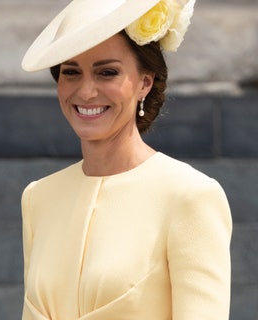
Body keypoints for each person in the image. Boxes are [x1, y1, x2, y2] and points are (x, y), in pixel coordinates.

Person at [19, 0, 232, 319]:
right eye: (71, 73)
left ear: (145, 82)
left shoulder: (190, 196)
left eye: (107, 72)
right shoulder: (38, 198)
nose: (86, 91)